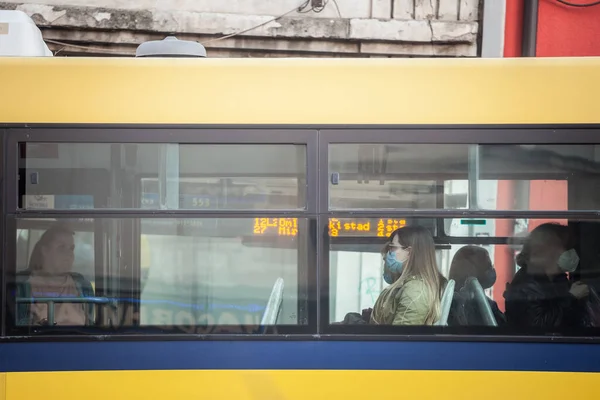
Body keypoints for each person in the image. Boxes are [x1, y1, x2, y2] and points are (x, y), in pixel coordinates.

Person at [503, 222, 589, 329]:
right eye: (567, 248)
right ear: (547, 250)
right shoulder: (527, 283)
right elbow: (539, 327)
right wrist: (571, 298)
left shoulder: (557, 279)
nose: (572, 253)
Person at [16, 224, 94, 326]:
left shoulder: (82, 285)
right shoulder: (21, 286)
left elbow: (91, 326)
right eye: (61, 247)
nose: (69, 253)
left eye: (71, 248)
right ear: (44, 251)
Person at [370, 226, 446, 325]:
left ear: (409, 252)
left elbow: (400, 337)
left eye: (393, 247)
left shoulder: (415, 291)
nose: (389, 254)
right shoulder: (409, 286)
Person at [448, 245, 506, 326]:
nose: (492, 270)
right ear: (470, 269)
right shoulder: (480, 305)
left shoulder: (447, 300)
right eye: (488, 266)